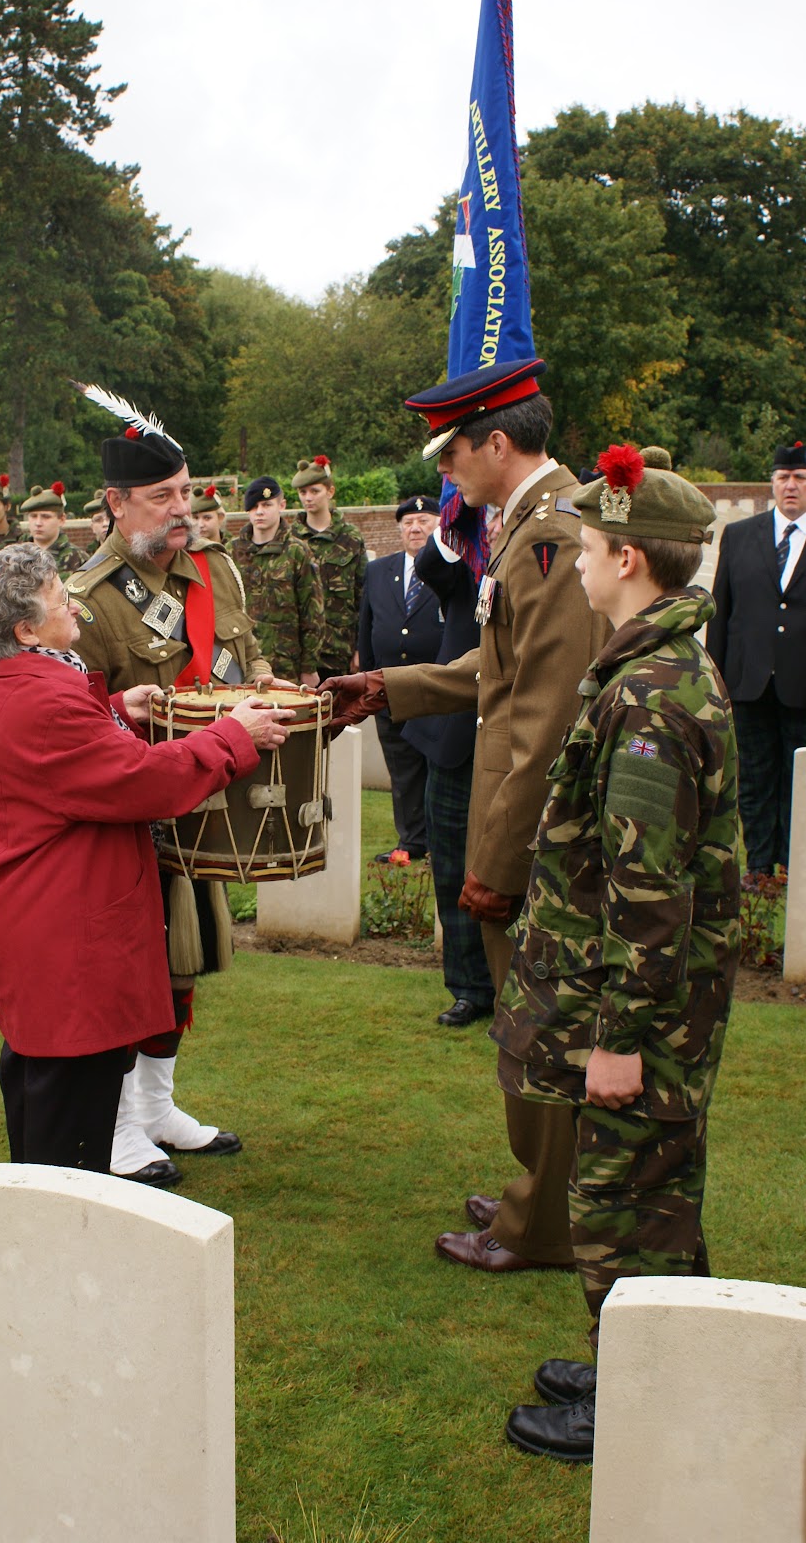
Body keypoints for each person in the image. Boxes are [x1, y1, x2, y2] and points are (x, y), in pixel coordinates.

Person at [321, 358, 608, 1275]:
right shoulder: (528, 524)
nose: (443, 472)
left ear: (496, 444)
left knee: (537, 1028)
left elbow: (544, 715)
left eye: (451, 453)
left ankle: (542, 1224)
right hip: (513, 814)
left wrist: (501, 858)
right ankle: (541, 1190)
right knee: (532, 1023)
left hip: (526, 830)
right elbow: (498, 668)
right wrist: (390, 684)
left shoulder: (548, 535)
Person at [494, 445, 739, 1463]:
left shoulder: (649, 700)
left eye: (588, 549)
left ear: (629, 559)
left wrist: (620, 1039)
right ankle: (646, 1359)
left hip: (647, 1011)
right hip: (662, 999)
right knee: (656, 1189)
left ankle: (636, 1407)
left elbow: (647, 892)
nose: (580, 564)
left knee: (622, 1200)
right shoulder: (655, 668)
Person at [0, 544, 290, 1173]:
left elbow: (59, 759)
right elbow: (143, 782)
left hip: (33, 921)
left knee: (42, 1089)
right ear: (26, 630)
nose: (72, 603)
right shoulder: (46, 700)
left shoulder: (6, 674)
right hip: (61, 929)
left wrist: (111, 710)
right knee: (68, 1127)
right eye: (59, 597)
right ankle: (62, 1223)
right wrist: (232, 736)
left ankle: (42, 1215)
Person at [67, 412, 289, 1187]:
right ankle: (117, 1124)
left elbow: (244, 650)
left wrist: (262, 683)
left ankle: (156, 1107)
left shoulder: (213, 567)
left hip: (209, 796)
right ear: (115, 503)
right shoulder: (87, 600)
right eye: (161, 496)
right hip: (134, 814)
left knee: (182, 965)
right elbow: (80, 728)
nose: (180, 508)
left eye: (185, 492)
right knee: (129, 972)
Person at [406, 496, 496, 1027]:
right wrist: (457, 515)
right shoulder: (465, 554)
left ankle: (515, 980)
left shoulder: (537, 551)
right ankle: (469, 987)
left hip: (515, 734)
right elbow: (430, 566)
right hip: (457, 733)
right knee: (450, 869)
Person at [708, 439, 806, 873]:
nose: (791, 486)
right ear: (772, 482)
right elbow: (721, 610)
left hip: (801, 684)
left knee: (797, 780)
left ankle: (791, 865)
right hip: (749, 681)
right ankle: (760, 867)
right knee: (754, 778)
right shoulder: (740, 535)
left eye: (800, 478)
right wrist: (716, 677)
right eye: (783, 477)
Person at [357, 496, 443, 862]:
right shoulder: (380, 570)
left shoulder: (451, 567)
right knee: (402, 768)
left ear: (438, 525)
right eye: (408, 522)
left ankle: (440, 840)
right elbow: (367, 625)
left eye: (423, 521)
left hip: (437, 689)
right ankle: (411, 841)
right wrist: (369, 679)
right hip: (389, 687)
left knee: (437, 767)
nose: (415, 528)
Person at [232, 477, 324, 685]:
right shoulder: (232, 551)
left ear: (281, 505)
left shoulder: (297, 552)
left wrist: (309, 667)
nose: (259, 512)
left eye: (266, 505)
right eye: (254, 506)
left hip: (285, 665)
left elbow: (312, 612)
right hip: (242, 664)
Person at [290, 456, 367, 680]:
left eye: (315, 491)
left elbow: (363, 595)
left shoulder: (351, 538)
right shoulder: (289, 539)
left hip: (338, 651)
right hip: (298, 654)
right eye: (303, 492)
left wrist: (360, 648)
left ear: (330, 492)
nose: (308, 498)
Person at [19, 483, 88, 575]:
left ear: (62, 519)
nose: (38, 523)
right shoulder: (16, 555)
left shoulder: (78, 558)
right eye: (33, 516)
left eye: (46, 517)